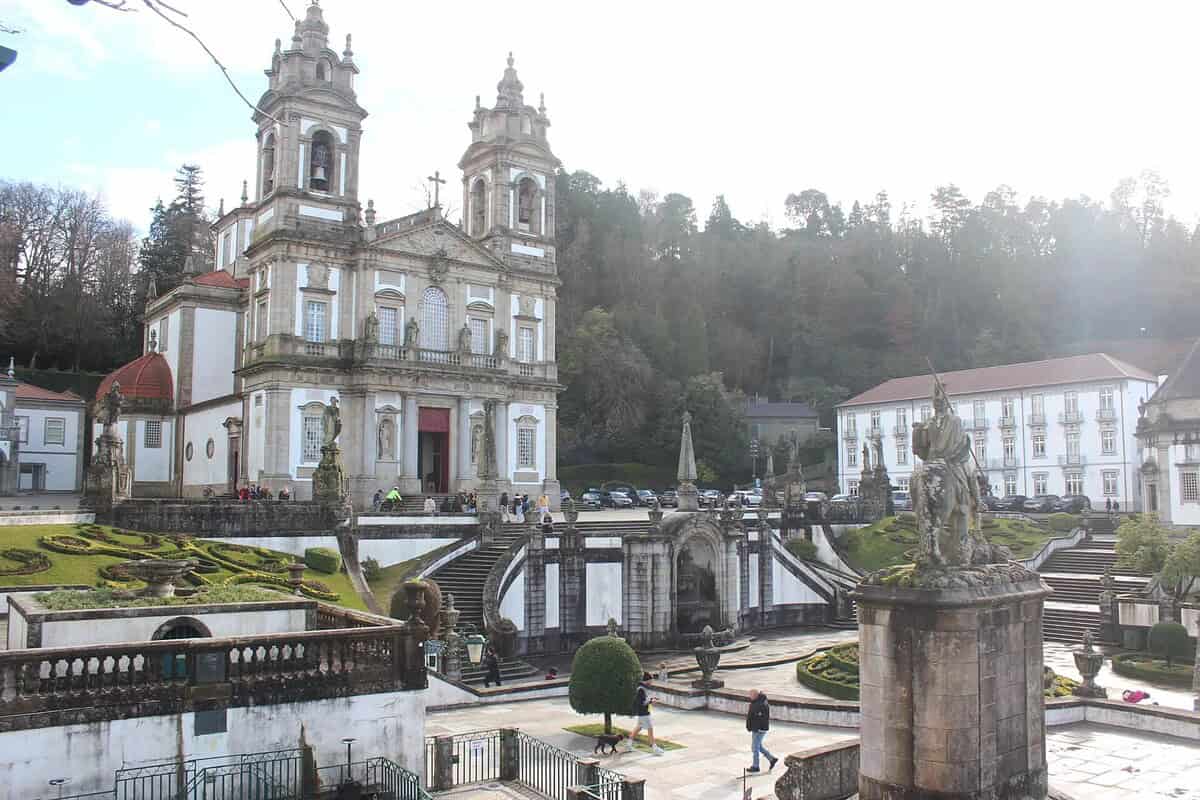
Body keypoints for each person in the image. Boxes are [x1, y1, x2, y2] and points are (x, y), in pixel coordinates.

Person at [624, 672, 664, 755]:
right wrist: (651, 701)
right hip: (644, 713)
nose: (652, 682)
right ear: (648, 680)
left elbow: (644, 699)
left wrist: (652, 699)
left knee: (638, 728)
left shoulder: (642, 688)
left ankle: (628, 744)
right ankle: (654, 748)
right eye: (651, 680)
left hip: (643, 713)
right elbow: (641, 702)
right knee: (650, 729)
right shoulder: (641, 689)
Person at [745, 689, 778, 772]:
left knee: (755, 748)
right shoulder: (758, 702)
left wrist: (753, 726)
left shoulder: (760, 704)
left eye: (751, 695)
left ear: (755, 695)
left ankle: (756, 766)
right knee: (758, 746)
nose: (750, 697)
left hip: (759, 729)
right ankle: (772, 759)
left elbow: (756, 716)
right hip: (756, 728)